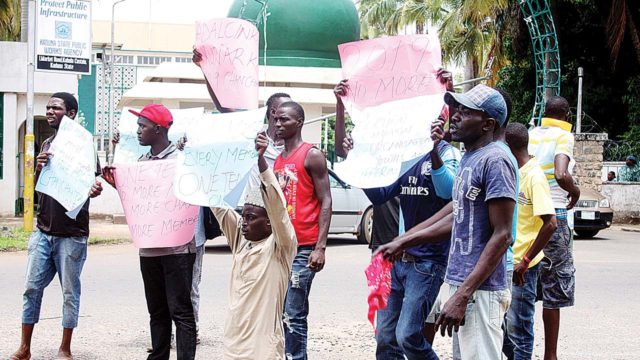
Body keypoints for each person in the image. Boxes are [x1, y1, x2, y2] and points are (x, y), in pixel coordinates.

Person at [378, 84, 516, 360]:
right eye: (457, 109)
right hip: (463, 283)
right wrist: (404, 240)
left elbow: (502, 236)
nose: (456, 115)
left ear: (488, 124)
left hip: (480, 289)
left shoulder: (496, 160)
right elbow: (457, 213)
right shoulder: (470, 157)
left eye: (466, 112)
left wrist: (463, 295)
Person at [336, 78, 460, 359]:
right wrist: (357, 161)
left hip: (427, 263)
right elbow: (381, 195)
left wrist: (434, 151)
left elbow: (448, 191)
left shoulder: (451, 155)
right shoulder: (405, 160)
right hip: (397, 262)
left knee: (408, 336)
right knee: (385, 337)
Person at [10, 93, 103, 360]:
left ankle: (65, 348)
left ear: (71, 113)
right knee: (31, 288)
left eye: (56, 108)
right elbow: (44, 188)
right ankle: (24, 348)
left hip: (72, 234)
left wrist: (94, 189)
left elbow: (91, 184)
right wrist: (39, 168)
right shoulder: (48, 144)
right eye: (48, 107)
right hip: (43, 230)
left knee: (69, 292)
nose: (49, 111)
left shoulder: (85, 146)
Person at [102, 104, 197, 360]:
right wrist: (117, 184)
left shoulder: (181, 160)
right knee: (157, 310)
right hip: (149, 248)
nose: (138, 131)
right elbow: (140, 202)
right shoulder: (142, 163)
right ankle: (158, 356)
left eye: (143, 126)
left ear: (158, 129)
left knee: (181, 310)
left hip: (177, 248)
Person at [209, 131, 297, 359]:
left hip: (263, 350)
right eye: (243, 216)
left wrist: (260, 161)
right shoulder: (241, 242)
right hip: (234, 345)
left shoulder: (280, 248)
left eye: (250, 218)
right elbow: (217, 205)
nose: (243, 223)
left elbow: (278, 207)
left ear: (269, 223)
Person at [272, 101, 332, 359]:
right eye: (275, 119)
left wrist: (320, 247)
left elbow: (326, 199)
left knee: (293, 315)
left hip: (304, 248)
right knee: (281, 314)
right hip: (281, 248)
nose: (277, 124)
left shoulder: (312, 154)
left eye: (284, 120)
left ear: (299, 122)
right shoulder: (278, 160)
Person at [528, 96, 580, 360]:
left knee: (524, 281)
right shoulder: (563, 136)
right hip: (555, 216)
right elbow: (561, 174)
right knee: (553, 289)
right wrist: (576, 190)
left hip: (528, 217)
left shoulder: (530, 134)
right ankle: (550, 355)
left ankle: (518, 348)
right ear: (567, 116)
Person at [502, 123, 558, 360]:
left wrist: (525, 260)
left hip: (522, 269)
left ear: (508, 146)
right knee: (503, 331)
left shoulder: (534, 176)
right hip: (505, 263)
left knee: (520, 332)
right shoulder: (514, 170)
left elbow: (551, 223)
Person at [333, 80, 400, 253]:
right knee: (378, 282)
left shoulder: (412, 151)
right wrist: (340, 103)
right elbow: (341, 149)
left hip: (409, 246)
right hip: (381, 243)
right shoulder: (371, 149)